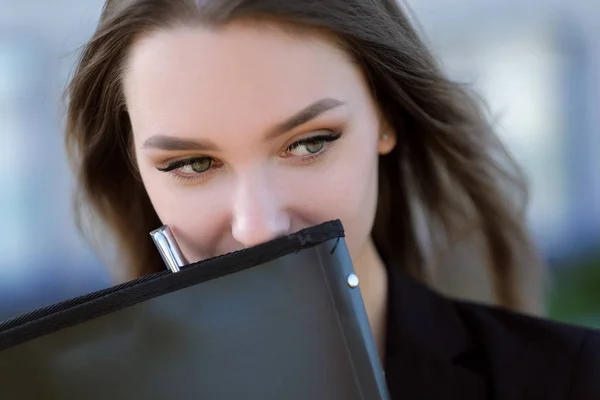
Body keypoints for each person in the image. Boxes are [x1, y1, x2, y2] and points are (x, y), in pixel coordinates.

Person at [64, 0, 600, 398]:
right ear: (134, 168)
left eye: (308, 143)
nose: (258, 227)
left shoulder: (571, 380)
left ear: (386, 117)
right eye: (192, 164)